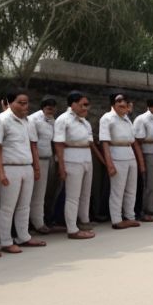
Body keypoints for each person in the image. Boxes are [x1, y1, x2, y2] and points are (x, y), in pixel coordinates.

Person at [0, 90, 46, 253]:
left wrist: (36, 167)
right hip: (9, 167)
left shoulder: (28, 121)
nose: (24, 106)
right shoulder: (0, 120)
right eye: (20, 102)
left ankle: (23, 236)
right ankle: (6, 241)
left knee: (24, 205)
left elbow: (33, 145)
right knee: (7, 207)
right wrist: (0, 172)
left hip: (26, 166)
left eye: (26, 102)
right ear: (10, 102)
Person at [53, 90, 105, 239]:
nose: (85, 108)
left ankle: (84, 220)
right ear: (73, 104)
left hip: (86, 158)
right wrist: (61, 165)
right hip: (72, 159)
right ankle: (72, 228)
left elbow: (90, 142)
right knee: (72, 196)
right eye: (83, 105)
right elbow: (58, 144)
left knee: (85, 193)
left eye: (87, 105)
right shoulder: (63, 120)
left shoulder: (85, 122)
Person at [99, 93, 143, 230]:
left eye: (125, 103)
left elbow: (133, 140)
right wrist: (109, 163)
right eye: (119, 103)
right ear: (113, 104)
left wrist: (140, 161)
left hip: (129, 153)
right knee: (118, 189)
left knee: (131, 188)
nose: (123, 106)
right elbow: (104, 142)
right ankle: (116, 219)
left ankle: (130, 216)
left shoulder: (126, 119)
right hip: (116, 153)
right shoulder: (107, 118)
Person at [29, 96, 58, 234]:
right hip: (35, 160)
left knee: (41, 193)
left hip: (48, 159)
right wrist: (35, 164)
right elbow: (32, 143)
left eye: (53, 107)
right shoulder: (33, 119)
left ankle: (39, 221)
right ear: (42, 107)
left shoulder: (53, 120)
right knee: (33, 193)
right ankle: (36, 223)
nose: (50, 109)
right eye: (48, 107)